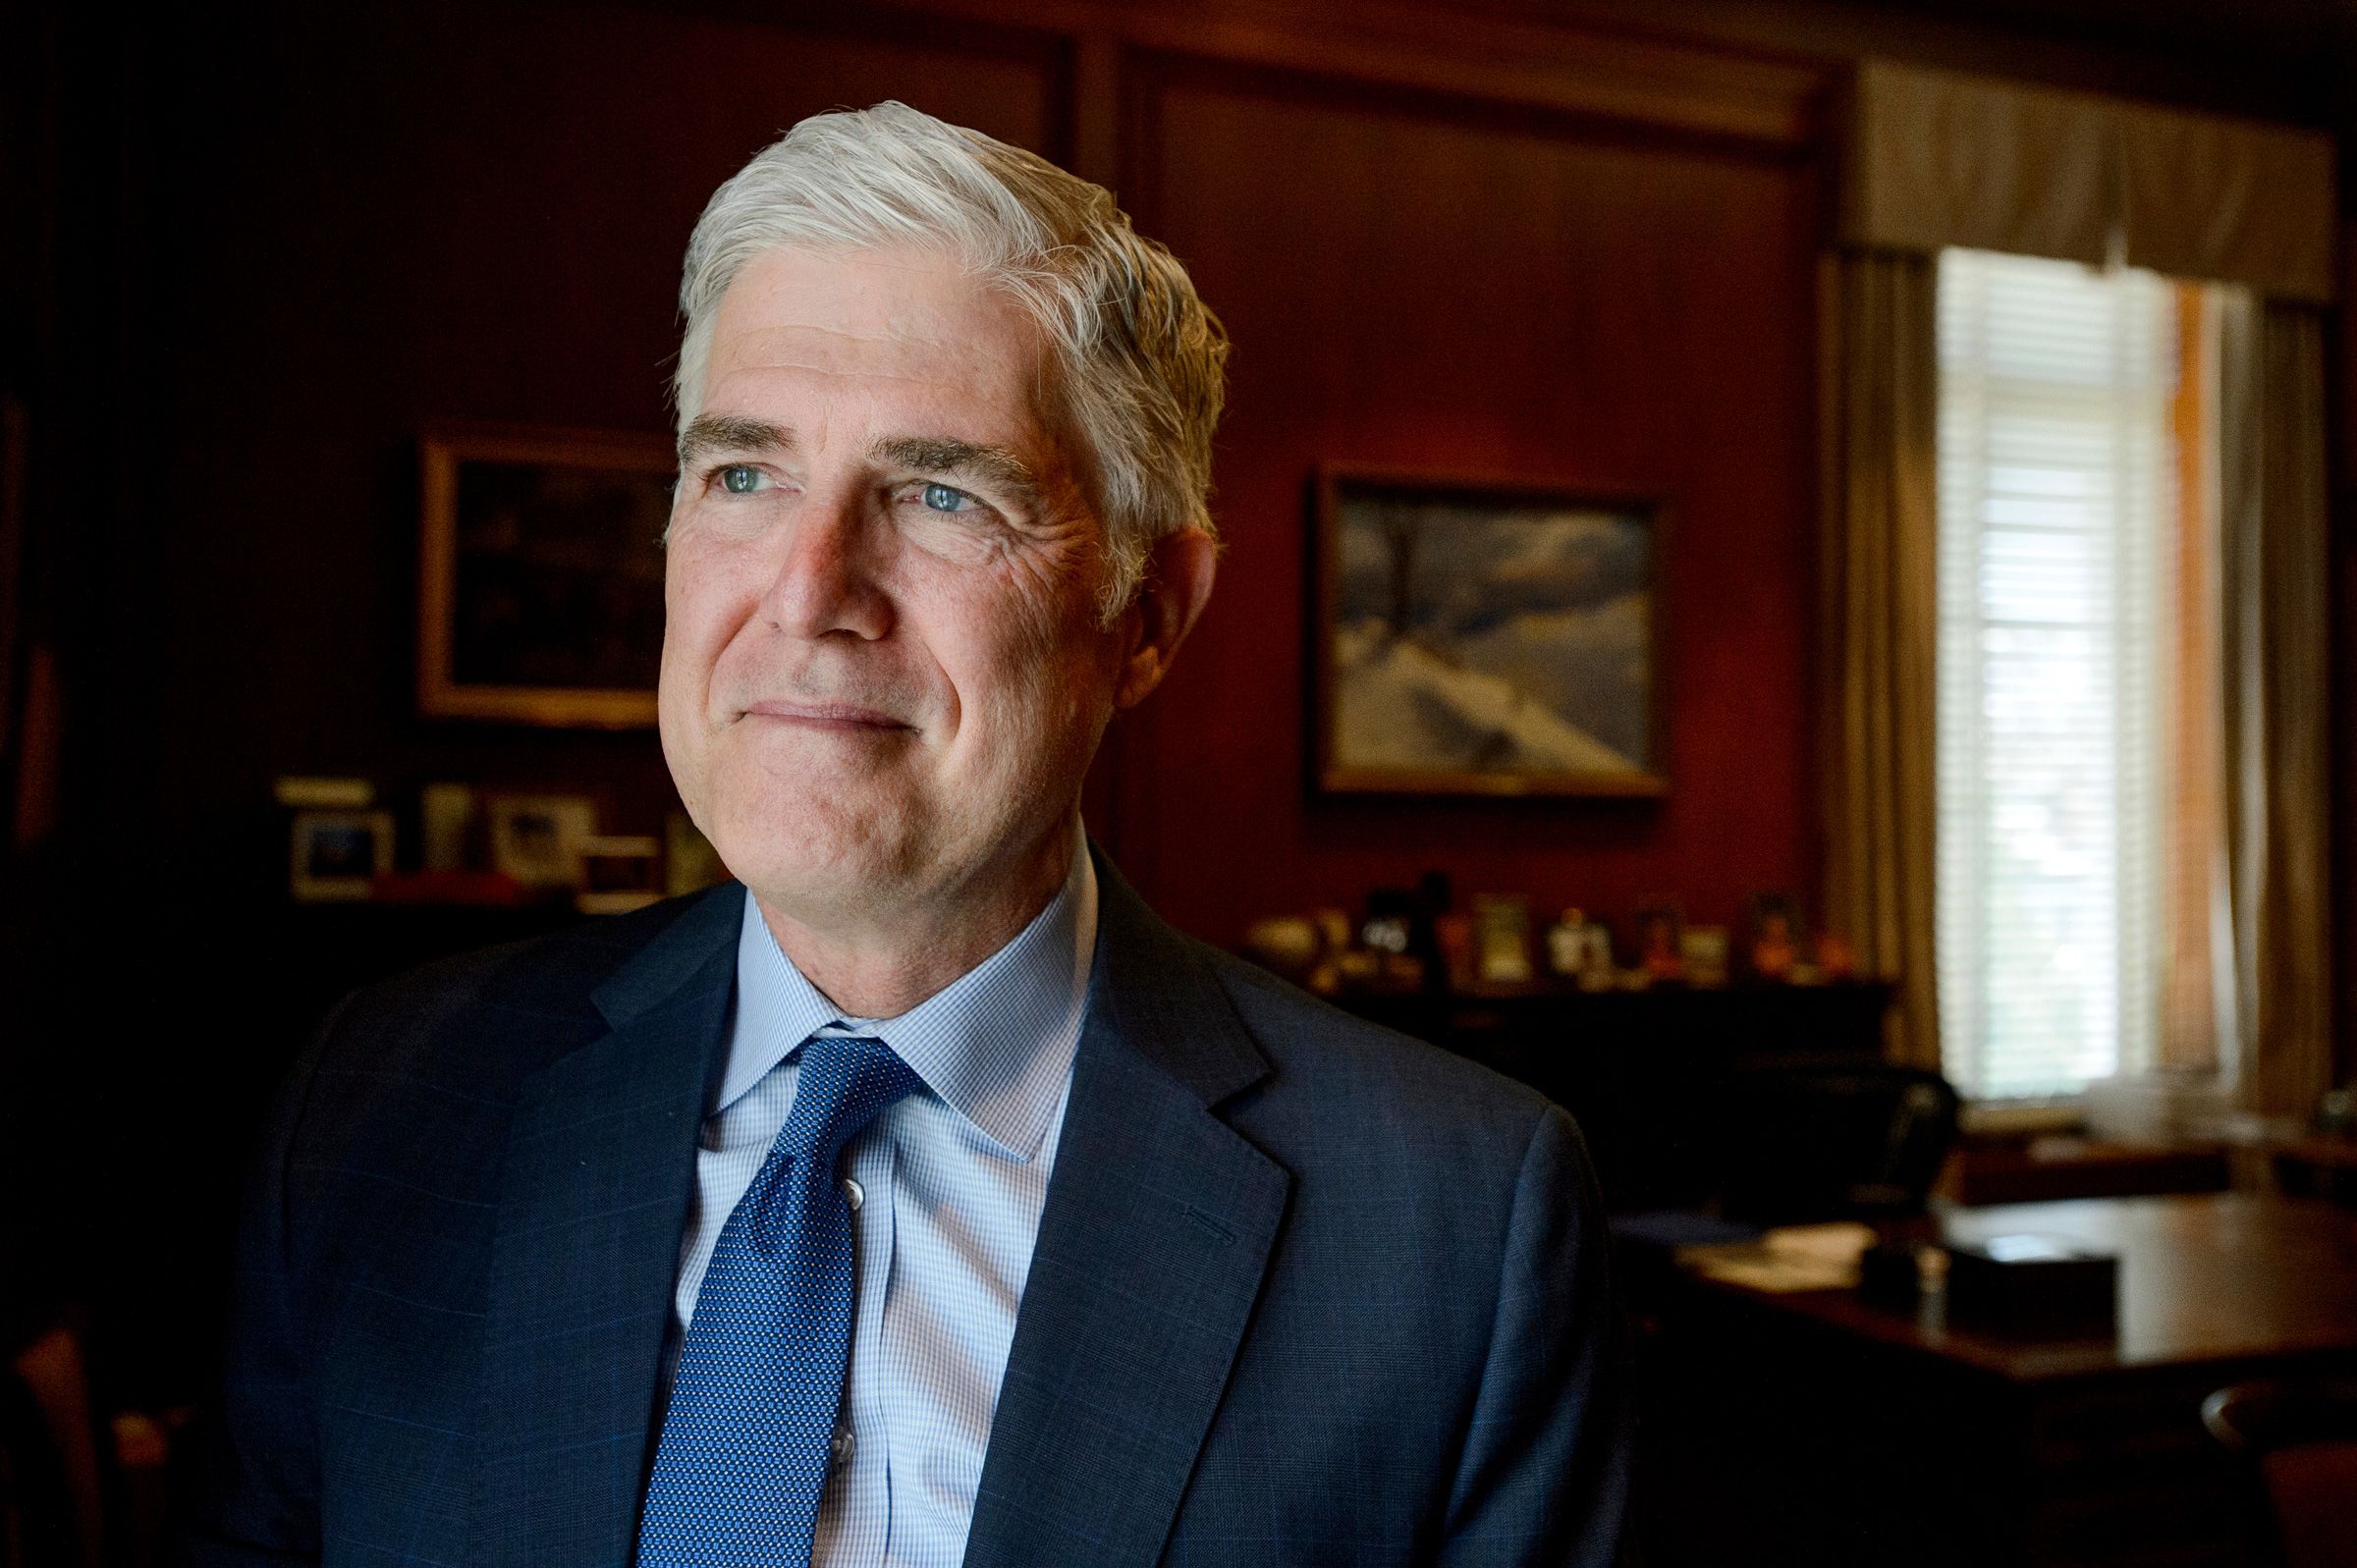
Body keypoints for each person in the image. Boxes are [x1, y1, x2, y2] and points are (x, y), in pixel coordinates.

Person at [186, 102, 1632, 1568]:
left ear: (1147, 616)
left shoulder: (1450, 1227)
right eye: (745, 475)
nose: (810, 593)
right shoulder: (381, 1113)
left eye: (941, 493)